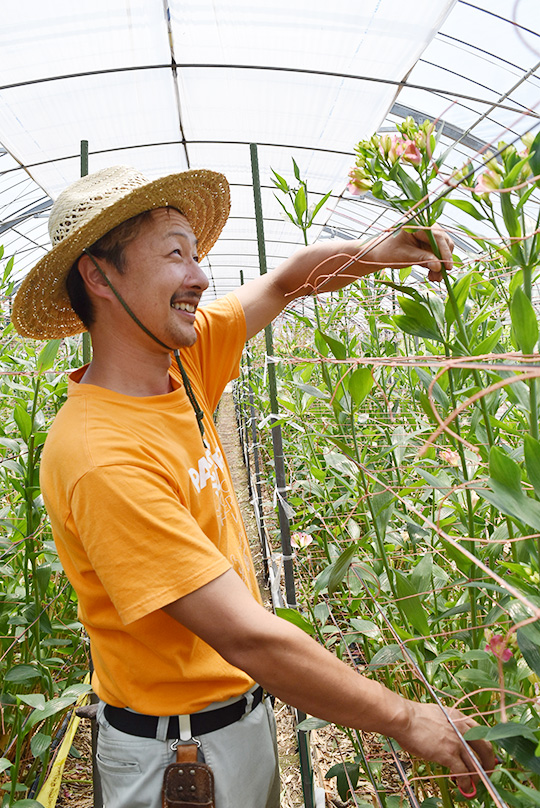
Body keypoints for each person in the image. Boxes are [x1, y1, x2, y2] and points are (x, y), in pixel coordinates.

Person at [12, 165, 494, 808]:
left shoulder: (181, 361)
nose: (201, 275)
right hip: (179, 767)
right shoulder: (102, 455)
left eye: (198, 252)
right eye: (174, 254)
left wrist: (378, 252)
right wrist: (407, 719)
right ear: (99, 276)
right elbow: (248, 635)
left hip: (232, 722)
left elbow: (290, 279)